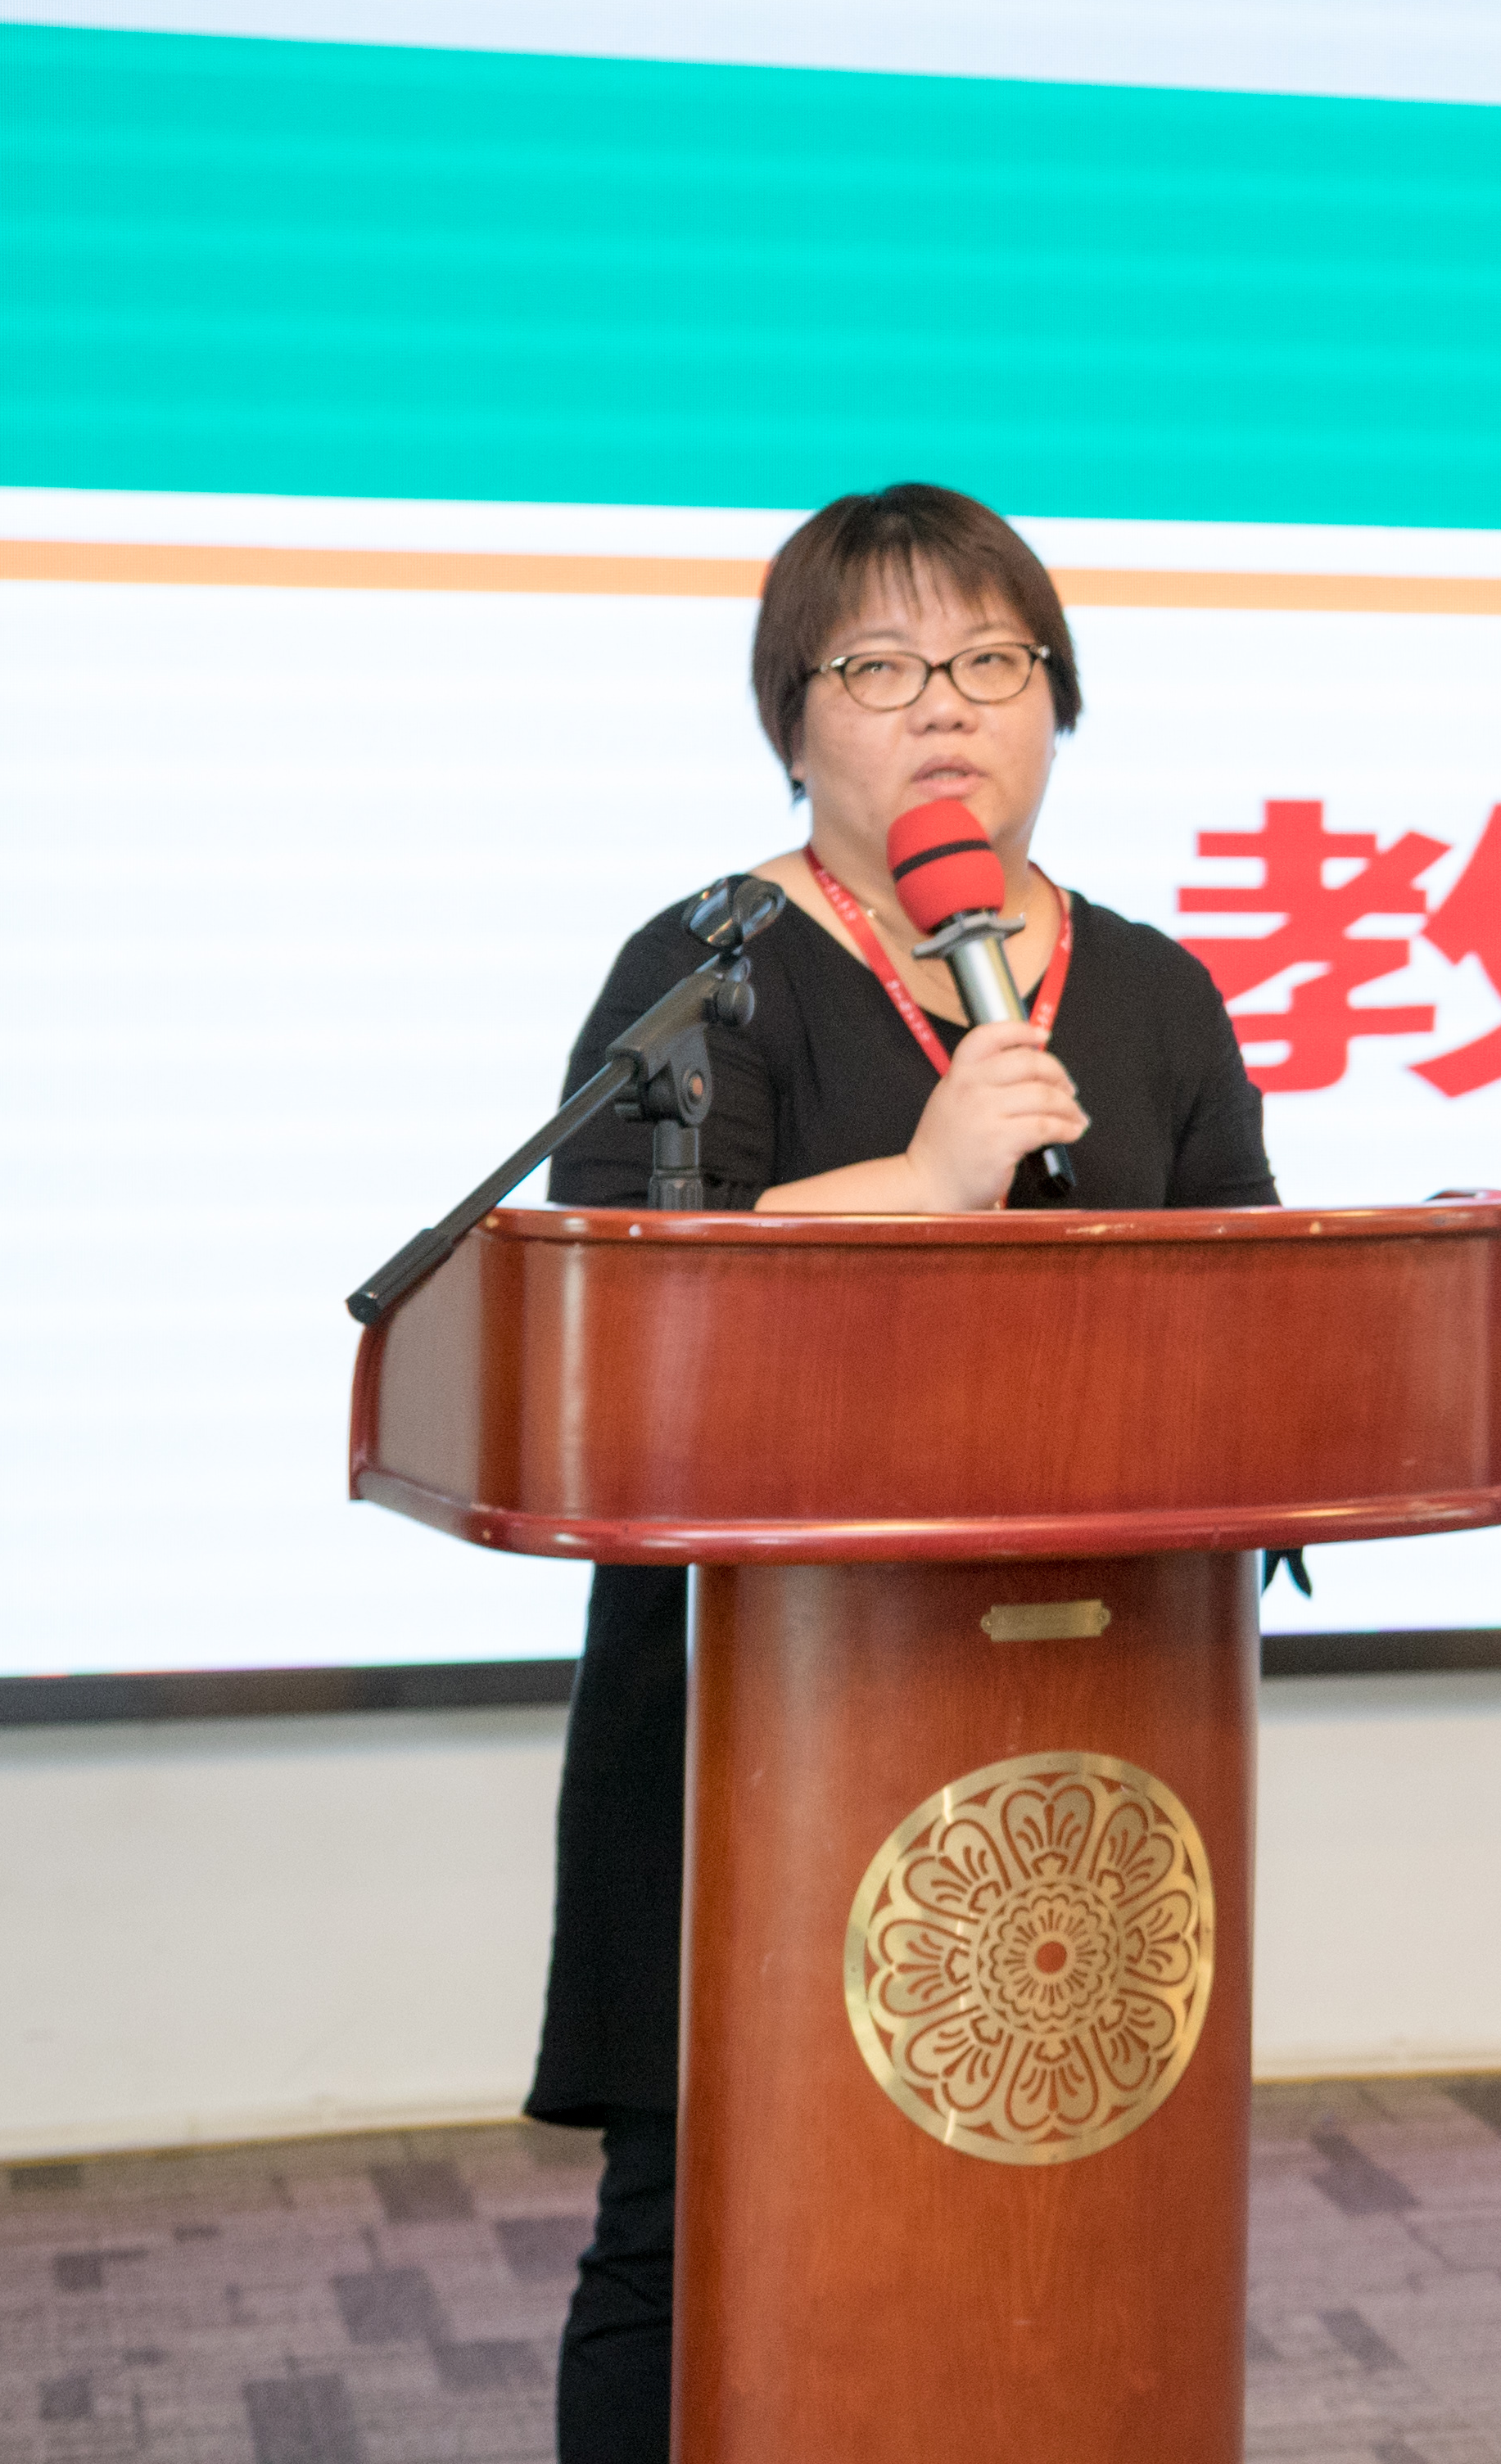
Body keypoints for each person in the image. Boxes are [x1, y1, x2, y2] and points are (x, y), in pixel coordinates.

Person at [527, 485, 1273, 2463]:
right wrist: (929, 1182)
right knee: (693, 2221)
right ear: (792, 723)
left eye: (993, 661)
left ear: (1058, 705)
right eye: (880, 667)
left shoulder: (1152, 992)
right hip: (755, 1716)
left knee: (1072, 2218)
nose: (947, 706)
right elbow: (632, 1300)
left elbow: (1256, 1318)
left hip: (1091, 1727)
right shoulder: (710, 971)